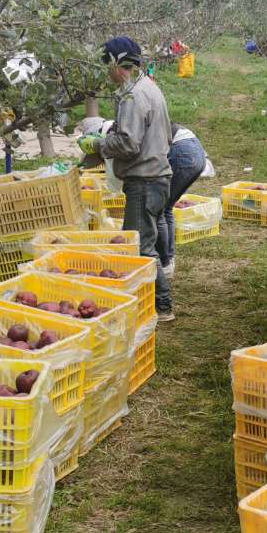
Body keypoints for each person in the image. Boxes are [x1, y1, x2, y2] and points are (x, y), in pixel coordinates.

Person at [78, 37, 175, 322]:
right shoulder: (149, 89)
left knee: (140, 247)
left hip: (144, 180)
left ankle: (162, 305)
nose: (105, 72)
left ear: (116, 63)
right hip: (156, 176)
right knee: (146, 241)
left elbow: (129, 144)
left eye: (106, 64)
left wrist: (99, 145)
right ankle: (150, 300)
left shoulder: (134, 97)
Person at [157, 124, 207, 277]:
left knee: (159, 210)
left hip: (183, 153)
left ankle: (165, 263)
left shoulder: (123, 131)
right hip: (195, 149)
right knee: (166, 208)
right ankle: (169, 259)